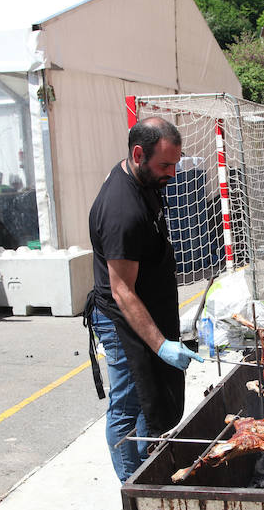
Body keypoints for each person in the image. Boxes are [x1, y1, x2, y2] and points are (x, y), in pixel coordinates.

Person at [85, 117, 203, 482]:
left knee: (151, 396)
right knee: (128, 402)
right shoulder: (123, 211)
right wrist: (161, 345)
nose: (173, 172)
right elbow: (122, 290)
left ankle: (145, 462)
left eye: (176, 163)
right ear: (138, 155)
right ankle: (132, 487)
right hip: (121, 317)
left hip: (146, 306)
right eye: (165, 165)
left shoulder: (142, 178)